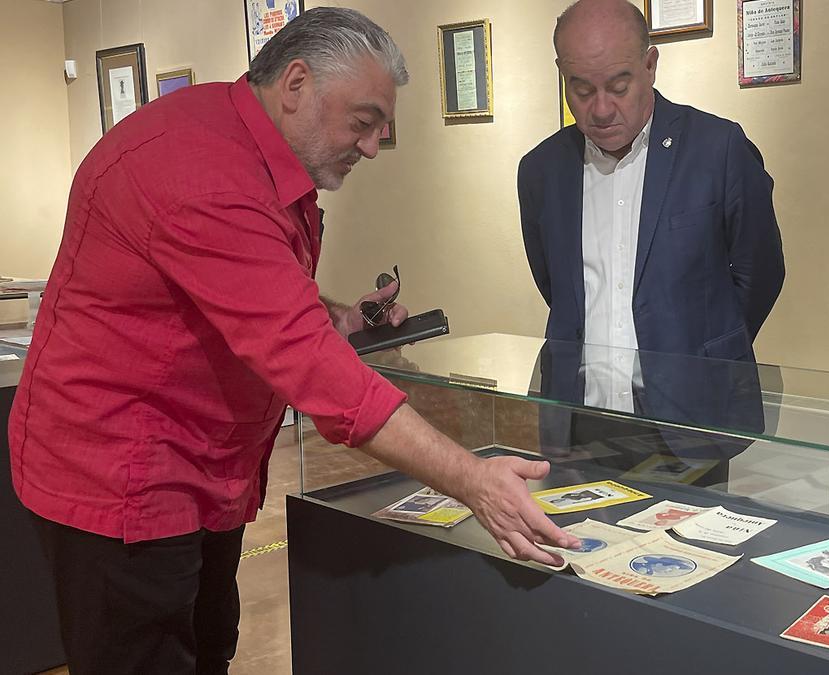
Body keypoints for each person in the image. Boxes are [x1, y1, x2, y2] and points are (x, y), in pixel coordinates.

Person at [9, 9, 576, 674]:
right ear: (297, 83)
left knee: (208, 643)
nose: (371, 146)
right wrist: (472, 479)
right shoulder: (200, 170)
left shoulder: (241, 141)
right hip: (123, 480)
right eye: (363, 122)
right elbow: (310, 367)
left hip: (203, 468)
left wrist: (342, 317)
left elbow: (253, 295)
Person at [518, 0, 785, 370]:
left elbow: (761, 274)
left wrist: (709, 352)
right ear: (563, 74)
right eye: (582, 90)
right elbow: (555, 287)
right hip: (582, 413)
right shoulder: (540, 171)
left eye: (618, 87)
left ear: (650, 66)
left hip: (698, 405)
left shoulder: (718, 150)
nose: (601, 109)